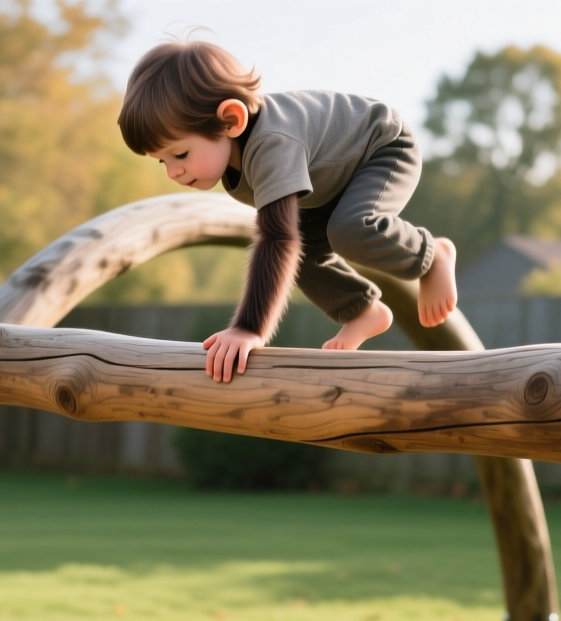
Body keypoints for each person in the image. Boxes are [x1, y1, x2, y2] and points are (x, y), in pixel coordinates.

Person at [118, 40, 458, 382]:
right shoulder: (232, 154)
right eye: (162, 161)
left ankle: (432, 254)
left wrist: (249, 328)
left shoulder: (272, 144)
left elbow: (278, 238)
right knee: (306, 250)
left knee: (348, 229)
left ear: (231, 120)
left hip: (381, 148)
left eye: (180, 155)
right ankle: (362, 309)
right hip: (327, 179)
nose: (173, 172)